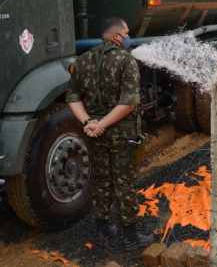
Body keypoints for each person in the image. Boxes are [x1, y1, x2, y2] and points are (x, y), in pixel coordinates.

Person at [65, 17, 154, 251]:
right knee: (125, 183)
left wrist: (89, 123)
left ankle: (103, 232)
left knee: (102, 180)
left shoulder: (82, 61)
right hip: (122, 135)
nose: (128, 36)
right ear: (117, 36)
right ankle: (131, 238)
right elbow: (128, 103)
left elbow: (72, 97)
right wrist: (103, 124)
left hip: (95, 135)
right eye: (126, 32)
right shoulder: (126, 60)